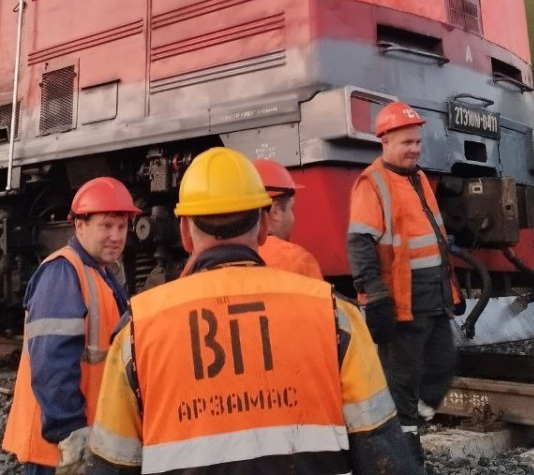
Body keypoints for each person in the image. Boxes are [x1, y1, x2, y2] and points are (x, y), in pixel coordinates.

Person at [86, 147, 414, 475]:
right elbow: (384, 454)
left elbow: (109, 465)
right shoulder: (335, 316)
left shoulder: (137, 332)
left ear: (185, 232)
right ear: (262, 226)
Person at [3, 177, 138, 475]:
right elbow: (51, 363)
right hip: (59, 450)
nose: (116, 236)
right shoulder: (63, 273)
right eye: (106, 226)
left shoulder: (100, 273)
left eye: (122, 226)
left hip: (83, 440)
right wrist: (70, 433)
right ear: (79, 225)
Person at [347, 101, 461, 452]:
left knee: (443, 363)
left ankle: (409, 425)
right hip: (401, 302)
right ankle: (405, 454)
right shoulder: (372, 183)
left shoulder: (419, 178)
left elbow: (429, 236)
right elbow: (360, 244)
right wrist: (375, 296)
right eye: (406, 143)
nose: (414, 149)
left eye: (417, 142)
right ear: (386, 143)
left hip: (433, 297)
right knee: (403, 382)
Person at [252, 159, 324, 279]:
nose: (293, 218)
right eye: (292, 208)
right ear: (275, 211)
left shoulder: (229, 259)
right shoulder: (298, 262)